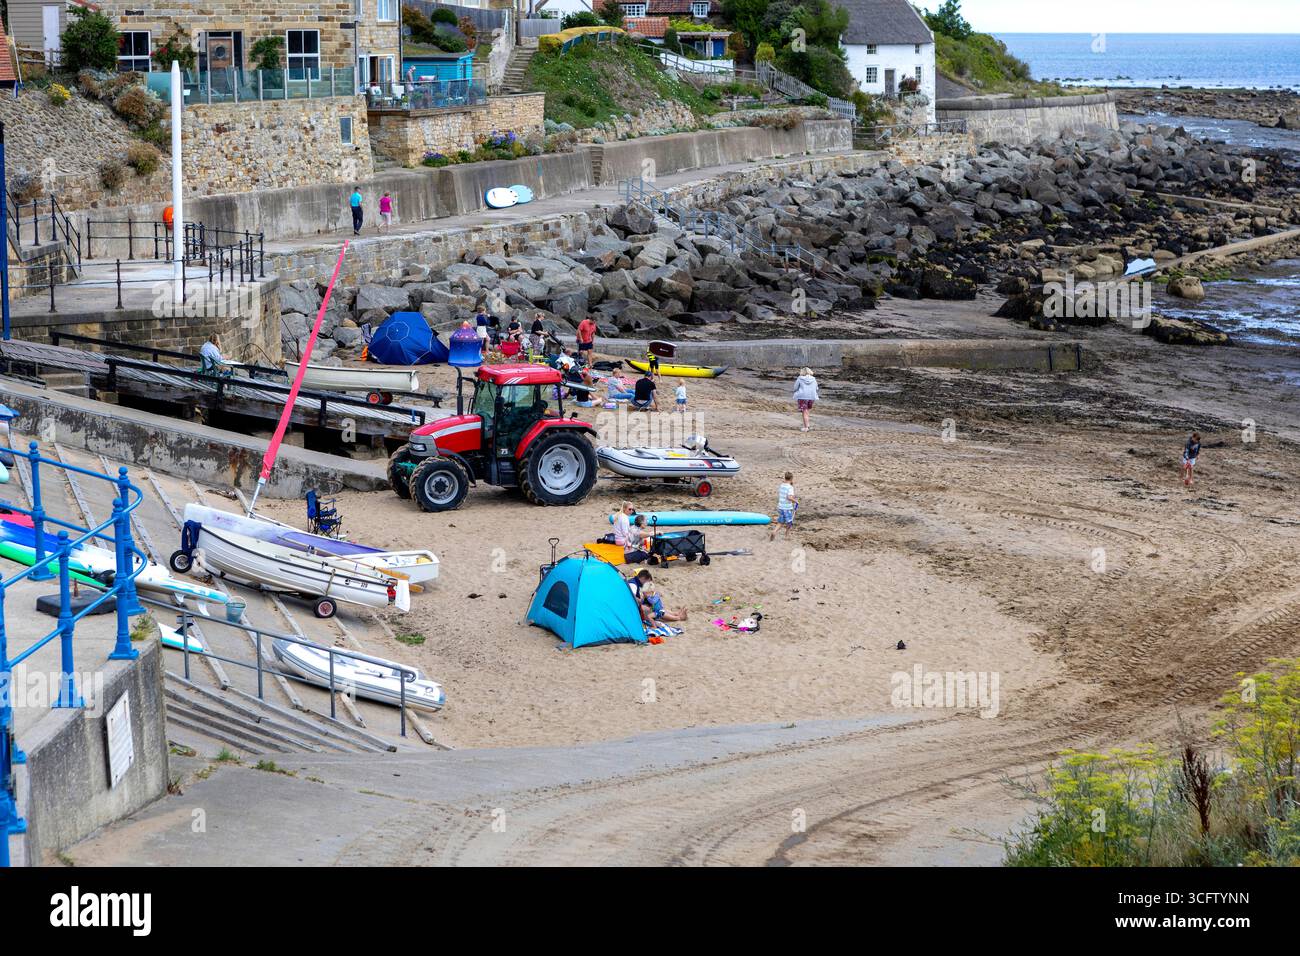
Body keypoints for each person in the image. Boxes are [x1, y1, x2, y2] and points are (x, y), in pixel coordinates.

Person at [770, 471, 797, 541]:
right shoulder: (790, 488)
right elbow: (789, 497)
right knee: (789, 522)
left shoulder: (782, 485)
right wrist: (795, 501)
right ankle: (786, 535)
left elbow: (784, 484)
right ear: (791, 479)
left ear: (785, 478)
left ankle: (774, 531)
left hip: (780, 506)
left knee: (780, 522)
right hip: (787, 508)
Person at [794, 367, 818, 432]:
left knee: (804, 411)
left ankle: (806, 427)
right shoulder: (814, 379)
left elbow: (795, 387)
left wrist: (797, 391)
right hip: (811, 397)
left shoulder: (800, 378)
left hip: (802, 397)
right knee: (807, 411)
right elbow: (816, 388)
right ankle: (808, 425)